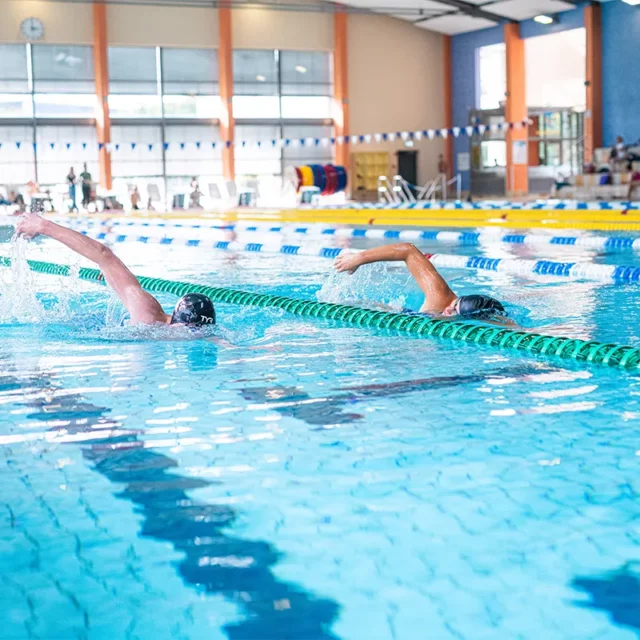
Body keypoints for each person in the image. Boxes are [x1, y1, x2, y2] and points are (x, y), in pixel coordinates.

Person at [15, 213, 216, 328]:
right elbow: (105, 255)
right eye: (190, 332)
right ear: (179, 324)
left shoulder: (190, 332)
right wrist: (44, 226)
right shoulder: (146, 314)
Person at [335, 243, 507, 320]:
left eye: (454, 311)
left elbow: (505, 323)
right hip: (385, 311)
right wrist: (359, 258)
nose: (447, 309)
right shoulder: (440, 297)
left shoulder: (483, 319)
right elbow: (408, 251)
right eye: (454, 304)